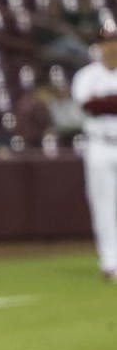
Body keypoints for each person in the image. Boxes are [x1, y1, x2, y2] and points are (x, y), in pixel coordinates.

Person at [71, 23, 117, 281]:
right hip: (99, 144)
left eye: (114, 41)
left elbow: (100, 104)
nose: (110, 46)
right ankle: (110, 262)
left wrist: (105, 103)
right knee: (104, 207)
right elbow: (89, 106)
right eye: (106, 42)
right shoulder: (86, 76)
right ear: (98, 47)